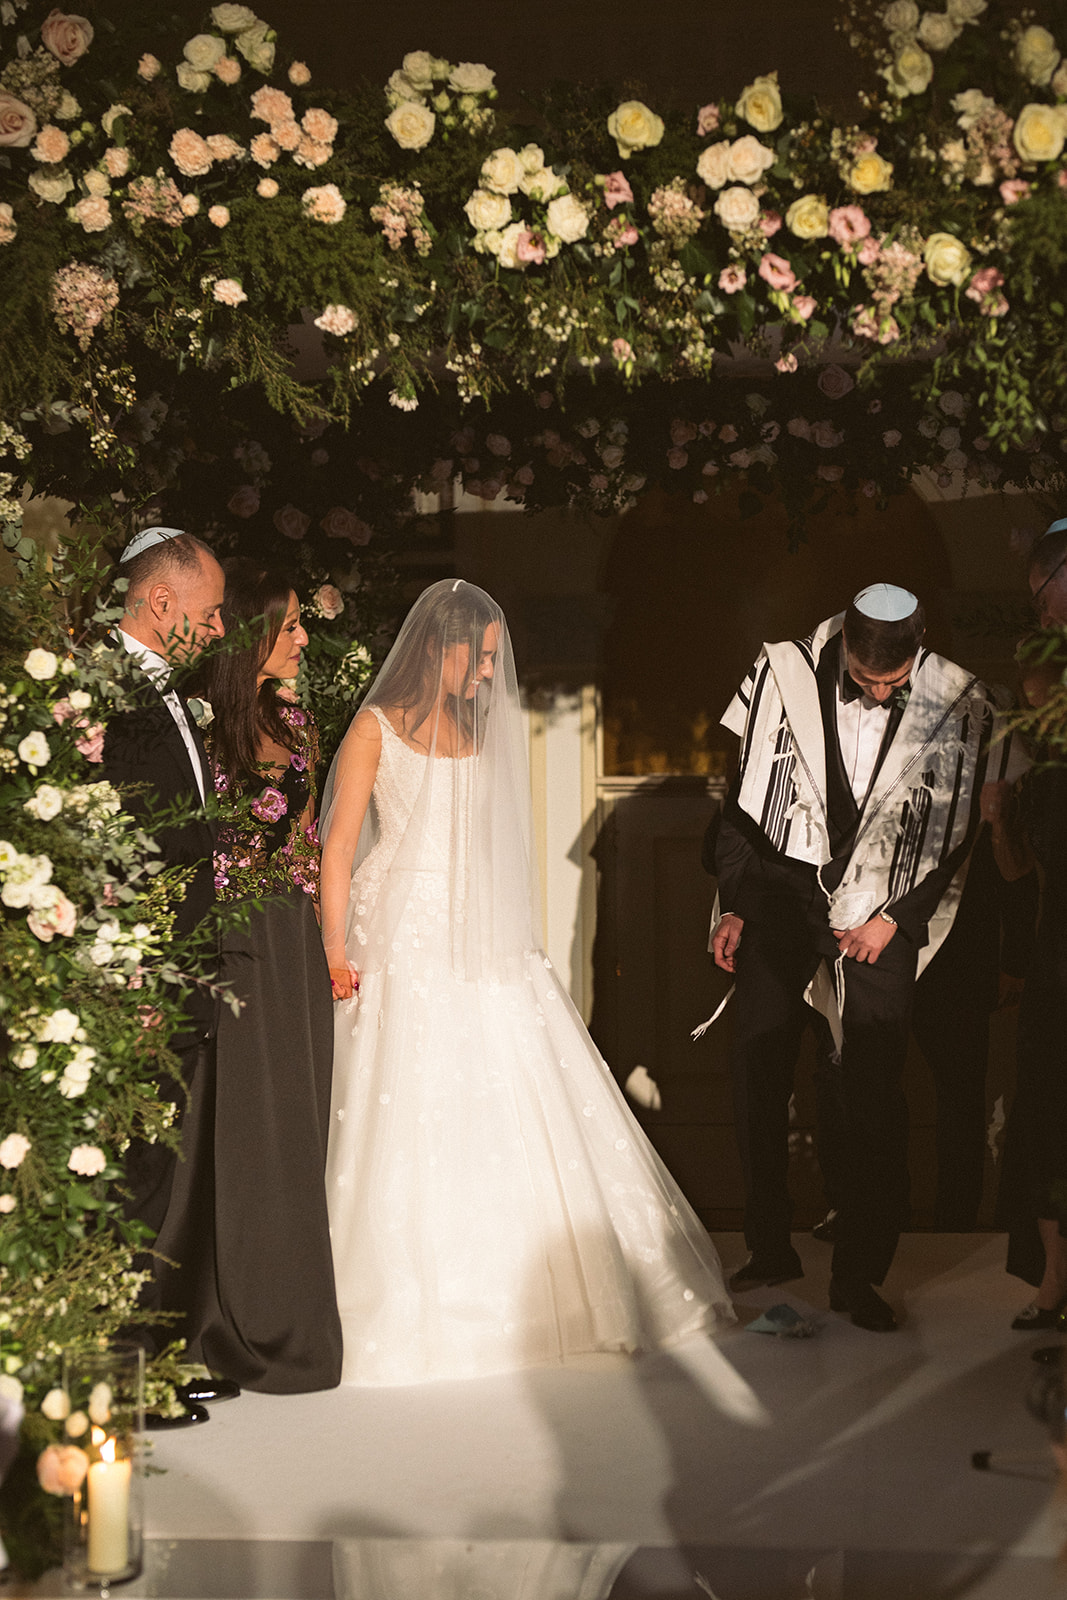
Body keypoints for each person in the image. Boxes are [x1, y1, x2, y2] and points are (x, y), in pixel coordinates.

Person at [319, 579, 734, 1386]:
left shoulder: (474, 729)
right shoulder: (373, 729)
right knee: (404, 1098)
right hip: (398, 930)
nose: (485, 676)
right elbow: (337, 845)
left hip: (475, 930)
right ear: (436, 648)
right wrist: (334, 948)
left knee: (504, 1092)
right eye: (476, 659)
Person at [712, 584, 1007, 1331]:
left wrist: (894, 918)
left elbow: (954, 833)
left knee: (870, 1089)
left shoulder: (957, 699)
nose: (876, 691)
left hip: (881, 910)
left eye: (890, 681)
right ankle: (768, 1245)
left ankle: (859, 1277)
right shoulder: (782, 674)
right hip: (781, 897)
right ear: (843, 642)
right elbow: (738, 803)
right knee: (757, 1064)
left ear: (919, 648)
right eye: (865, 677)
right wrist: (736, 902)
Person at [175, 558, 342, 1392]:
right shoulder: (201, 728)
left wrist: (326, 941)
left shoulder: (301, 721)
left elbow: (309, 844)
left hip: (292, 943)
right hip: (231, 942)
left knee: (294, 1128)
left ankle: (287, 1318)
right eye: (288, 626)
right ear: (251, 638)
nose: (302, 637)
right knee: (236, 1132)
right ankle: (213, 1326)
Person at [101, 527, 227, 1393]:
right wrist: (138, 973)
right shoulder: (107, 695)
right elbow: (111, 850)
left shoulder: (166, 690)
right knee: (125, 1177)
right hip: (137, 979)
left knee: (154, 1174)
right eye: (211, 613)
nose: (221, 630)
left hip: (178, 971)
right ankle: (114, 1374)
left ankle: (145, 1360)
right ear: (160, 603)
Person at [989, 640, 1067, 1333]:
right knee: (1043, 1115)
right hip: (1054, 956)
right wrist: (995, 825)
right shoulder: (1038, 779)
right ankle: (1051, 1281)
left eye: (1039, 690)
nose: (1029, 702)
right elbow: (1018, 876)